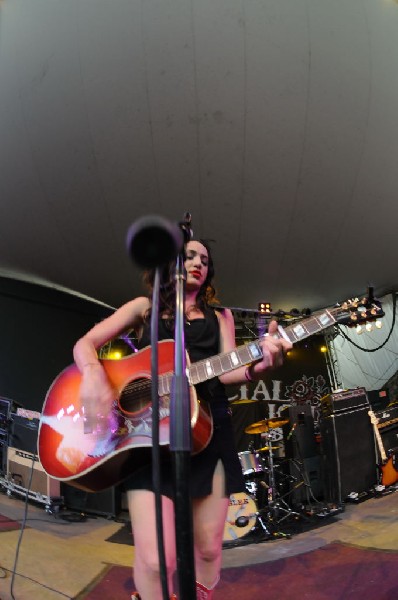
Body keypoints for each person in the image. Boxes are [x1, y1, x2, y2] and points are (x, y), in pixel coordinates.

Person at [73, 239, 292, 600]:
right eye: (189, 255)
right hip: (148, 439)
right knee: (157, 559)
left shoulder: (220, 317)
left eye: (205, 259)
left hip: (210, 431)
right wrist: (93, 372)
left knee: (208, 549)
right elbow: (85, 344)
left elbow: (226, 372)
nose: (198, 263)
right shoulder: (144, 308)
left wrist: (262, 364)